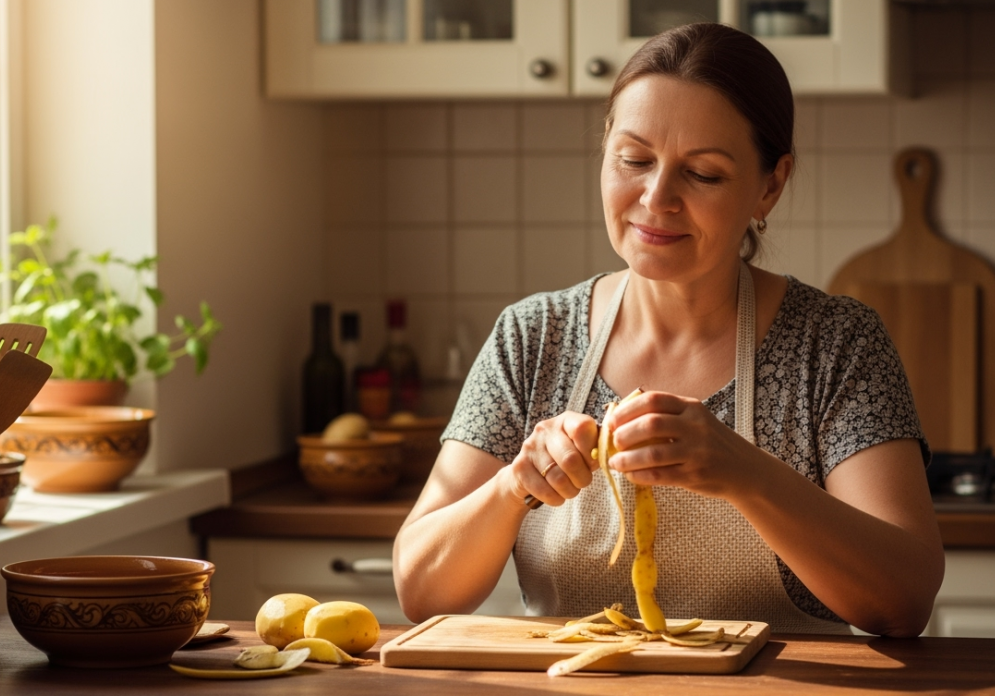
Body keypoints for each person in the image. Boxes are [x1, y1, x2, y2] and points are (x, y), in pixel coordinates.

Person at [393, 22, 944, 637]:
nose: (656, 198)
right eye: (634, 160)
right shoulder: (532, 337)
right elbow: (420, 589)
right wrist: (512, 486)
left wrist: (747, 473)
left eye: (703, 174)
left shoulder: (837, 344)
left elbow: (904, 601)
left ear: (770, 184)